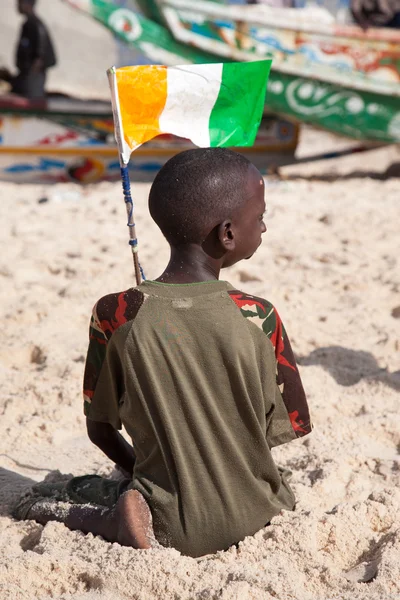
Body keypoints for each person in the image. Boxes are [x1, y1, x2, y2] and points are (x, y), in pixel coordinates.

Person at [13, 148, 312, 558]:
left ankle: (112, 519)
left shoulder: (115, 314)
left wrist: (151, 468)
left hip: (171, 526)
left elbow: (100, 431)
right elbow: (289, 425)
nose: (264, 226)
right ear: (227, 234)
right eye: (260, 217)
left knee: (58, 493)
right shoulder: (259, 317)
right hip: (263, 513)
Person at [11, 0, 56, 99]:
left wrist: (37, 63)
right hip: (27, 74)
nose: (18, 6)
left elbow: (41, 48)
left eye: (20, 3)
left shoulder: (35, 24)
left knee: (32, 103)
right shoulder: (28, 24)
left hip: (33, 74)